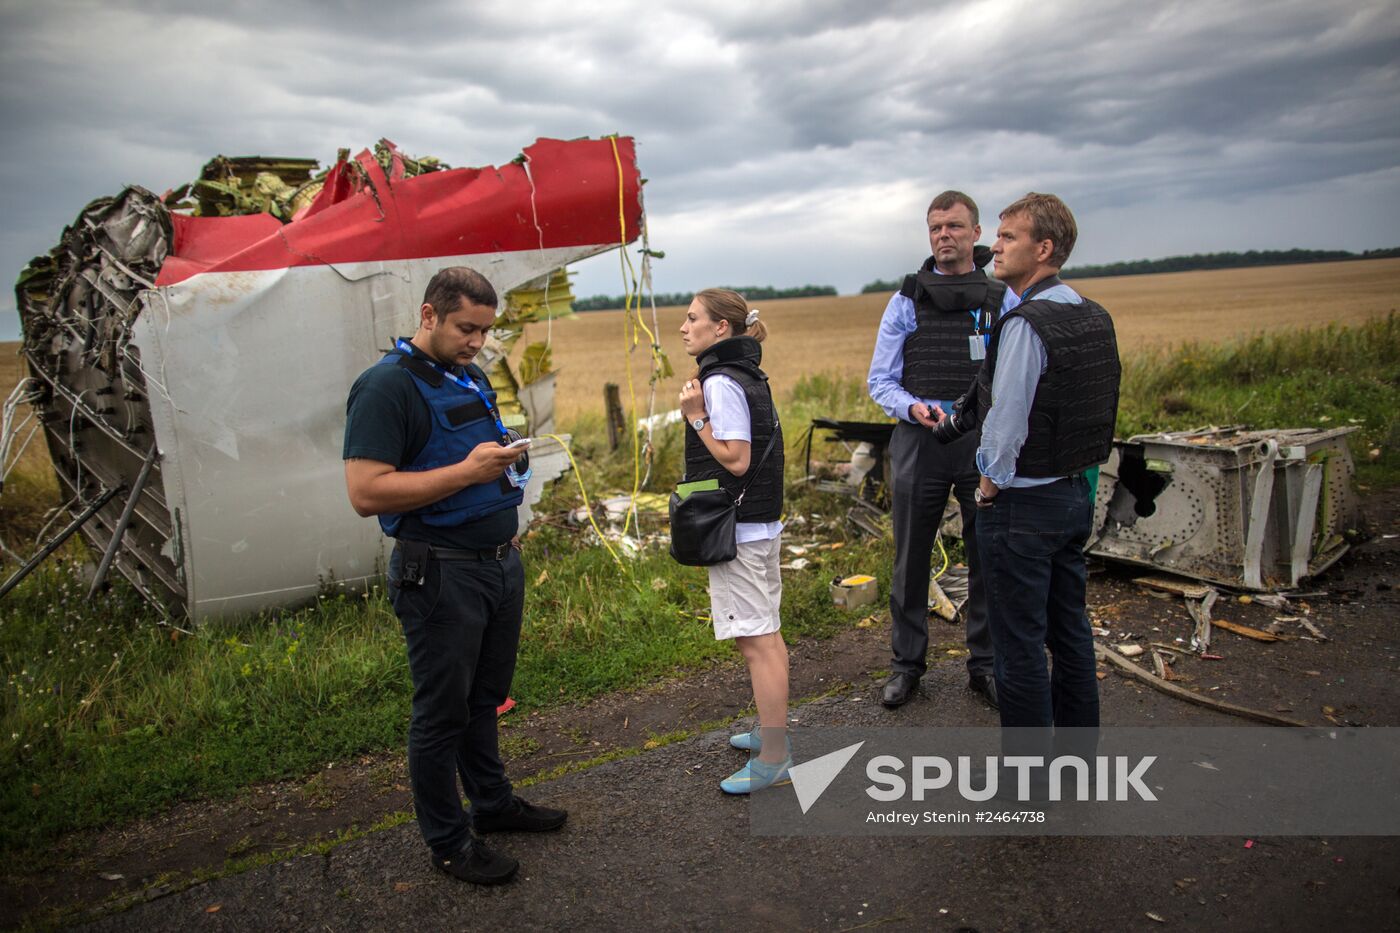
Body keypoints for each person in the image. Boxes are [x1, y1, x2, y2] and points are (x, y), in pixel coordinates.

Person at [342, 266, 566, 886]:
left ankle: (491, 806)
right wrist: (468, 475)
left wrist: (500, 486)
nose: (477, 342)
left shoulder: (466, 376)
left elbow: (471, 458)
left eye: (485, 331)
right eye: (466, 328)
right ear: (429, 315)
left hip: (498, 564)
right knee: (440, 715)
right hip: (439, 573)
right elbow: (366, 492)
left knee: (483, 701)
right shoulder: (386, 388)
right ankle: (449, 842)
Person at [964, 193, 1121, 752]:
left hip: (1022, 506)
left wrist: (986, 490)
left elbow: (1005, 426)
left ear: (1044, 248)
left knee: (1019, 645)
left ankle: (1028, 778)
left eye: (1008, 237)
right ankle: (1078, 757)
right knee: (1071, 631)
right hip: (1074, 496)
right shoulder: (1091, 314)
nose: (995, 246)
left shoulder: (1027, 324)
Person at [867, 190, 1014, 710]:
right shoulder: (907, 298)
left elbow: (1014, 374)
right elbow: (880, 381)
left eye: (953, 226)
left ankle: (987, 666)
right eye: (935, 228)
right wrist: (915, 410)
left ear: (976, 234)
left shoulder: (1002, 299)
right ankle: (906, 666)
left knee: (988, 557)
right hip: (920, 440)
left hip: (982, 441)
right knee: (910, 558)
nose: (943, 236)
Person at [676, 288, 791, 793]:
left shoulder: (719, 382)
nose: (684, 326)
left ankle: (774, 757)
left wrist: (696, 417)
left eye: (693, 317)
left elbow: (737, 459)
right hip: (759, 524)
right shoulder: (748, 373)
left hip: (737, 531)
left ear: (721, 327)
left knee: (756, 643)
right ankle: (773, 731)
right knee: (769, 634)